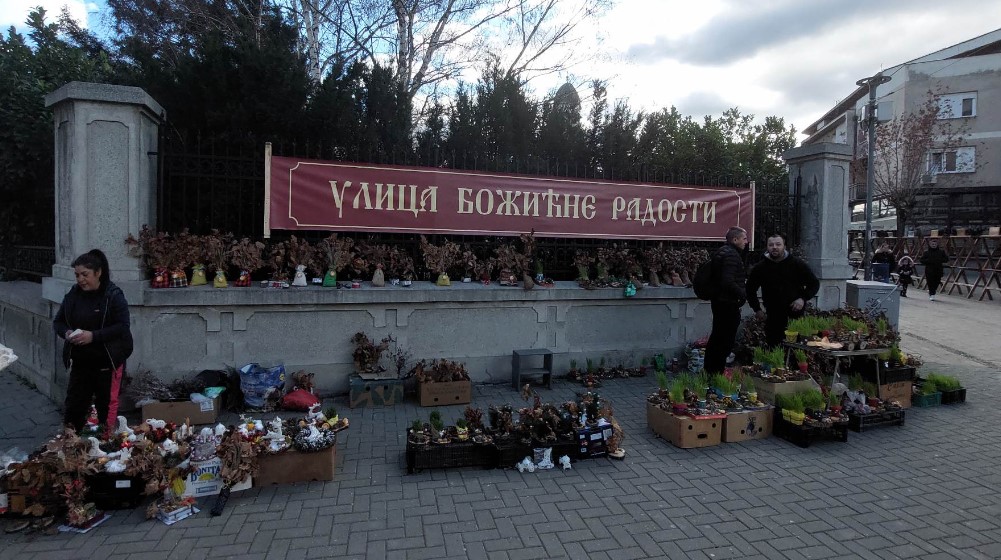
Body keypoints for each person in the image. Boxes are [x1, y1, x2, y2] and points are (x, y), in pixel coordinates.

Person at [53, 249, 133, 433]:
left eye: (85, 275)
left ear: (98, 273)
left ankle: (108, 445)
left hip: (108, 360)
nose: (80, 279)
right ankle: (71, 440)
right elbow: (58, 322)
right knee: (74, 404)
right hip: (81, 361)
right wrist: (67, 332)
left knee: (106, 407)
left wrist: (93, 336)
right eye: (77, 275)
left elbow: (122, 326)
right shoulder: (73, 294)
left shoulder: (113, 295)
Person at [746, 233, 820, 348]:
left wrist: (802, 298)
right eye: (771, 245)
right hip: (773, 315)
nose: (774, 247)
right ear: (767, 247)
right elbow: (750, 290)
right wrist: (757, 309)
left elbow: (814, 283)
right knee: (774, 348)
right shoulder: (760, 268)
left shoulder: (796, 264)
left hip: (795, 315)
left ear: (784, 246)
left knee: (796, 349)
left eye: (778, 244)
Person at [704, 226, 747, 374]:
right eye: (744, 239)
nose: (746, 242)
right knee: (724, 340)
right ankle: (715, 372)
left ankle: (711, 371)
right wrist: (742, 293)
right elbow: (728, 281)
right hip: (727, 303)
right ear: (735, 239)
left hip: (720, 301)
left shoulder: (723, 252)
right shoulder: (731, 255)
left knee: (717, 337)